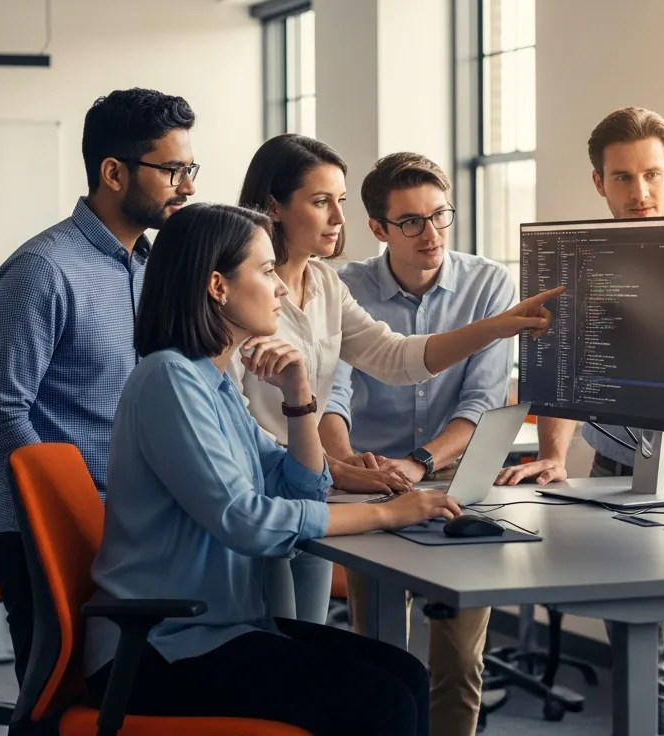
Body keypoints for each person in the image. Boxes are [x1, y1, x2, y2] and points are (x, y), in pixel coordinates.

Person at [85, 202, 463, 736]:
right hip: (158, 647)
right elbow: (248, 521)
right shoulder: (169, 379)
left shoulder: (215, 383)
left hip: (221, 629)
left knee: (404, 675)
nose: (282, 288)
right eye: (266, 271)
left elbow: (302, 489)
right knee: (383, 703)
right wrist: (387, 515)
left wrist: (300, 396)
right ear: (218, 286)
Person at [232, 134, 563, 624]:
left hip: (315, 487)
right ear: (273, 207)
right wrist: (338, 466)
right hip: (263, 490)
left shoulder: (325, 282)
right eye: (322, 202)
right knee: (275, 648)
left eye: (339, 202)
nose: (338, 219)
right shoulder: (242, 287)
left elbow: (393, 357)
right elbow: (232, 413)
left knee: (309, 637)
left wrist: (499, 324)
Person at [495, 106, 664, 733]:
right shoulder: (574, 264)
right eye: (623, 179)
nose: (640, 193)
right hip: (616, 473)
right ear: (598, 184)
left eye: (652, 175)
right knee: (641, 656)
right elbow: (555, 376)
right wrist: (553, 455)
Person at [0, 87, 198, 686]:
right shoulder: (43, 270)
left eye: (190, 168)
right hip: (49, 534)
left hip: (134, 530)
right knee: (56, 703)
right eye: (172, 170)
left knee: (119, 706)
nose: (188, 186)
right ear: (114, 172)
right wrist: (79, 511)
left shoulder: (156, 268)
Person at [323, 152, 514, 736]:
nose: (429, 234)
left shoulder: (488, 284)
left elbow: (480, 404)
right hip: (371, 491)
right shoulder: (342, 286)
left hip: (455, 482)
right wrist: (349, 464)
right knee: (379, 653)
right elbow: (331, 393)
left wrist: (421, 462)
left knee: (458, 661)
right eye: (410, 222)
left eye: (438, 216)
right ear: (379, 229)